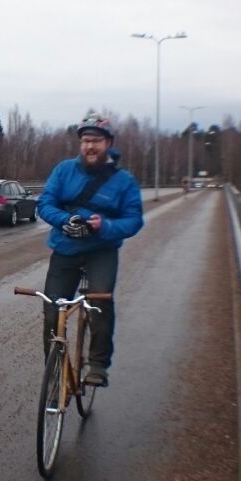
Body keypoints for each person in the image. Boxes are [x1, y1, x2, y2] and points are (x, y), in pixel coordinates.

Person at [34, 114, 145, 387]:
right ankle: (54, 369)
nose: (90, 146)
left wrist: (104, 226)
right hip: (65, 249)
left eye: (96, 141)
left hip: (101, 251)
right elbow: (45, 203)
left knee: (100, 302)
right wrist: (65, 220)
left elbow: (134, 220)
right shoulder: (64, 170)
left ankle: (97, 364)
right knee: (53, 310)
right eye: (85, 141)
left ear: (108, 143)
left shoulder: (123, 181)